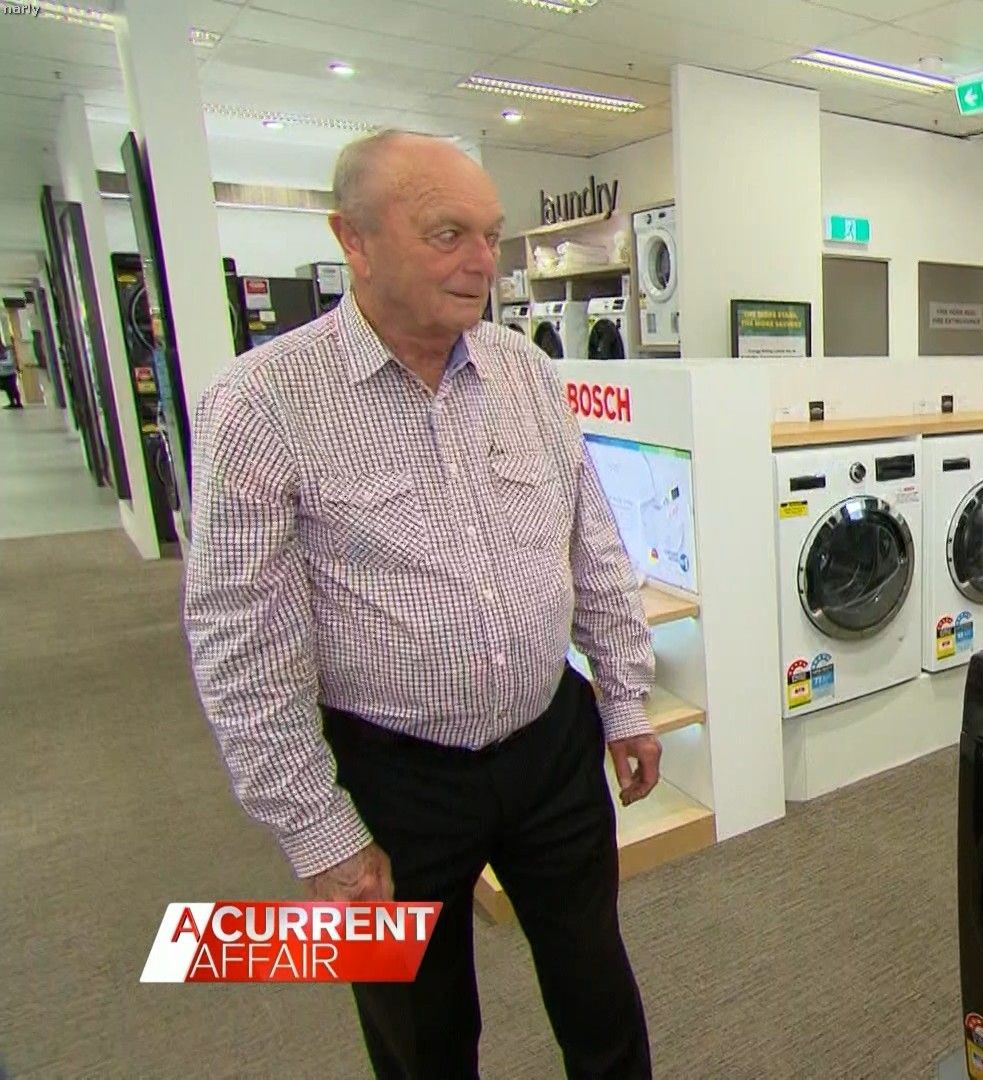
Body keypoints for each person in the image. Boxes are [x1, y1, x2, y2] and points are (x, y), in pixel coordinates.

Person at [183, 130, 658, 1079]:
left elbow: (593, 547)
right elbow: (241, 646)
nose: (483, 262)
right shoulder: (261, 402)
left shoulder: (526, 371)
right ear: (352, 240)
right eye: (448, 234)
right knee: (421, 1039)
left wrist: (625, 700)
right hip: (387, 779)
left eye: (490, 233)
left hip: (549, 747)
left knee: (599, 995)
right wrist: (318, 832)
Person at [0, 340, 21, 408]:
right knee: (7, 389)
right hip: (2, 374)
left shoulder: (8, 351)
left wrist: (1, 363)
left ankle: (18, 403)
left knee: (13, 388)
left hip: (10, 373)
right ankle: (12, 403)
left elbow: (10, 362)